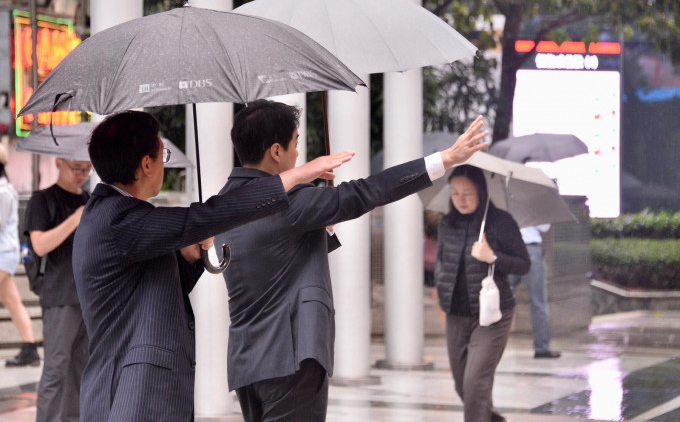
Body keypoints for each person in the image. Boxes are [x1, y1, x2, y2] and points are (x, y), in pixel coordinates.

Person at [215, 99, 488, 422]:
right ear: (276, 151)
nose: (297, 155)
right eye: (295, 144)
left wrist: (319, 226)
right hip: (292, 357)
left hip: (248, 362)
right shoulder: (292, 202)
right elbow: (367, 191)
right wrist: (444, 159)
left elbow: (270, 255)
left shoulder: (222, 203)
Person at [71, 110, 353, 422]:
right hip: (131, 398)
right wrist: (296, 177)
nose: (164, 162)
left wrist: (189, 258)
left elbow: (144, 293)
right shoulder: (119, 218)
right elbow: (209, 214)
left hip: (130, 394)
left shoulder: (113, 215)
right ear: (147, 164)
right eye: (161, 153)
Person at [435, 165, 530, 422]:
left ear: (480, 191)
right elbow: (441, 263)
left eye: (467, 192)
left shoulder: (500, 222)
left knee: (475, 382)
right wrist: (443, 300)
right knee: (461, 385)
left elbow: (524, 263)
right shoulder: (447, 223)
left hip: (492, 315)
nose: (461, 199)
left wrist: (493, 257)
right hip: (457, 314)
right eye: (455, 193)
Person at [24, 153, 91, 421]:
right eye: (76, 168)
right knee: (56, 368)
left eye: (86, 170)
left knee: (82, 367)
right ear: (59, 163)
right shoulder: (42, 200)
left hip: (87, 295)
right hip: (59, 294)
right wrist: (75, 220)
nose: (81, 174)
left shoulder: (88, 200)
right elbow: (39, 245)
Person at [0, 144, 40, 368]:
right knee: (12, 302)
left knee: (12, 301)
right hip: (5, 254)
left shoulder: (4, 192)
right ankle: (30, 347)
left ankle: (30, 348)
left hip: (3, 254)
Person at [509, 224, 561, 359]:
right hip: (530, 251)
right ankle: (542, 349)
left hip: (508, 251)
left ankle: (487, 344)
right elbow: (545, 227)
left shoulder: (503, 205)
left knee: (500, 300)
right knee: (538, 302)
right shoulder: (533, 206)